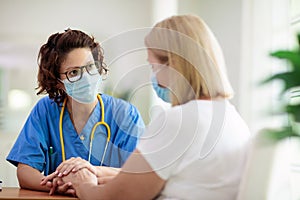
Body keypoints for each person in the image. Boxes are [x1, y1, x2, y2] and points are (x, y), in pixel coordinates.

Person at [42, 15, 251, 199]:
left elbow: (114, 197)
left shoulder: (179, 120)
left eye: (153, 66)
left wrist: (82, 184)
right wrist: (94, 172)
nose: (154, 78)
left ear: (174, 65)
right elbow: (145, 178)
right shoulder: (231, 118)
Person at [6, 29, 145, 194]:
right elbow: (25, 171)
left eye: (90, 67)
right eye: (74, 72)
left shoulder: (124, 114)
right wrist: (61, 185)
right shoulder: (46, 110)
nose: (86, 77)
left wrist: (87, 175)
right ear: (57, 81)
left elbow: (138, 175)